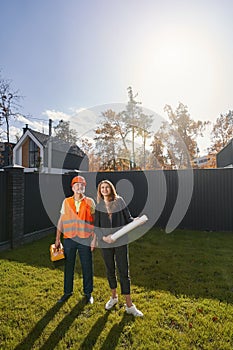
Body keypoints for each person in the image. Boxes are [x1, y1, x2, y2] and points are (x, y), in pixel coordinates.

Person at [94, 179, 143, 317]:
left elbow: (128, 218)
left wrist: (136, 221)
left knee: (124, 271)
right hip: (105, 244)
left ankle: (129, 305)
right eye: (102, 187)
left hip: (120, 241)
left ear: (111, 189)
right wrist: (104, 238)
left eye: (106, 187)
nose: (104, 189)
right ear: (100, 190)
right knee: (110, 269)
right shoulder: (99, 206)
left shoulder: (119, 201)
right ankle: (114, 297)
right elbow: (96, 228)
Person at [55, 175, 96, 304]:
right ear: (72, 187)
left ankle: (88, 293)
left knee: (87, 266)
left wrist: (94, 239)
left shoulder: (90, 202)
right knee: (69, 266)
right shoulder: (66, 202)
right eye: (77, 185)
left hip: (85, 239)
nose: (80, 187)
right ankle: (67, 292)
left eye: (82, 185)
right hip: (69, 239)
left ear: (85, 188)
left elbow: (95, 222)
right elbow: (61, 221)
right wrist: (57, 238)